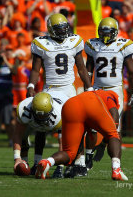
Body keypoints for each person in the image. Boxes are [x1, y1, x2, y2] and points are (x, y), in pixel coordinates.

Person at [26, 13, 92, 177]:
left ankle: (76, 164)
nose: (63, 32)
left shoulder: (73, 41)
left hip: (68, 90)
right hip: (50, 89)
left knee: (73, 127)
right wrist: (31, 85)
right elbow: (35, 69)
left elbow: (82, 69)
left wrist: (89, 88)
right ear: (51, 29)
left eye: (65, 28)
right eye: (59, 29)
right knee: (40, 125)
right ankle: (37, 162)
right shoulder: (42, 43)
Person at [35, 90, 127, 181]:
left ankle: (47, 162)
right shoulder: (110, 95)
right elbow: (114, 117)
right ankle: (116, 170)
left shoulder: (96, 94)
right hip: (91, 102)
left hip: (70, 104)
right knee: (113, 134)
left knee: (69, 153)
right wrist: (105, 142)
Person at [84, 17, 133, 168]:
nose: (105, 35)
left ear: (115, 32)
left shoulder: (123, 45)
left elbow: (132, 72)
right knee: (92, 125)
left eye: (108, 32)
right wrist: (87, 88)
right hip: (97, 89)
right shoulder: (93, 45)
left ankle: (110, 155)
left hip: (115, 91)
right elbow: (88, 71)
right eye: (102, 32)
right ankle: (88, 156)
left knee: (114, 127)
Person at [13, 91, 68, 176]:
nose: (40, 118)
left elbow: (62, 143)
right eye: (38, 115)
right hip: (49, 93)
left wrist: (59, 167)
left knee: (64, 140)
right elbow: (18, 134)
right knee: (23, 135)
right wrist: (17, 158)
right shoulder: (25, 108)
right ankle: (25, 163)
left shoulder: (59, 116)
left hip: (65, 97)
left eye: (43, 116)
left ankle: (65, 167)